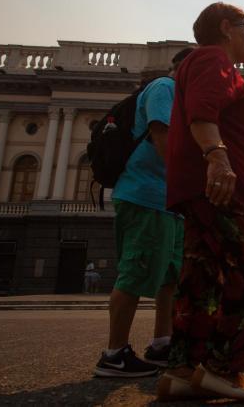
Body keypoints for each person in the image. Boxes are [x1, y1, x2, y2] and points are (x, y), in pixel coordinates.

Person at [158, 2, 244, 401]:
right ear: (227, 28)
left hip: (201, 190)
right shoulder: (213, 59)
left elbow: (209, 108)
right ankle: (225, 368)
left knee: (200, 279)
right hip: (224, 189)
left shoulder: (207, 64)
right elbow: (202, 114)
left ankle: (182, 369)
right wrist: (217, 159)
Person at [93, 49, 191, 379]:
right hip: (145, 194)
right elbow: (163, 139)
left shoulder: (184, 99)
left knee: (170, 277)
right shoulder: (165, 88)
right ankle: (114, 354)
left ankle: (162, 344)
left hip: (168, 202)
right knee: (135, 272)